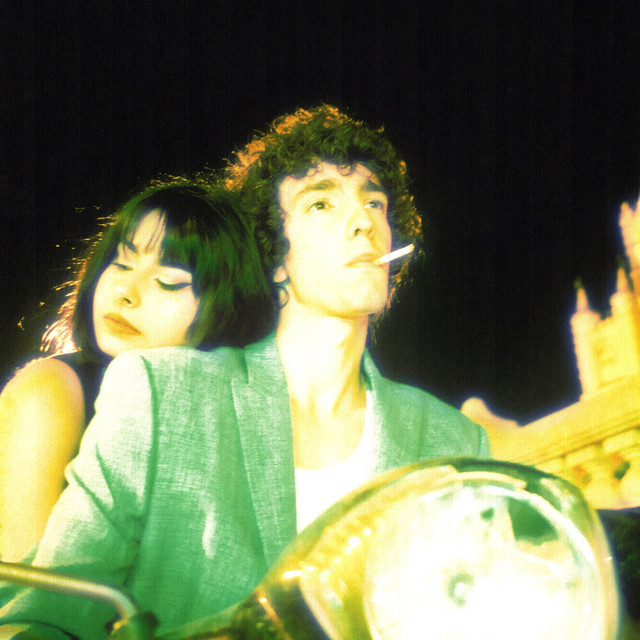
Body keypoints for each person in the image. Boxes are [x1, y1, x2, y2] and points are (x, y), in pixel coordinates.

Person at [0, 105, 489, 639]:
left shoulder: (454, 443)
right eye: (322, 203)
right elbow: (48, 615)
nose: (364, 222)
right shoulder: (159, 394)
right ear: (274, 256)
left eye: (374, 202)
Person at [0, 181, 274, 563]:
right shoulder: (51, 389)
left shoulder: (231, 415)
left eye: (167, 282)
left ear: (226, 309)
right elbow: (23, 586)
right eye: (122, 263)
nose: (125, 292)